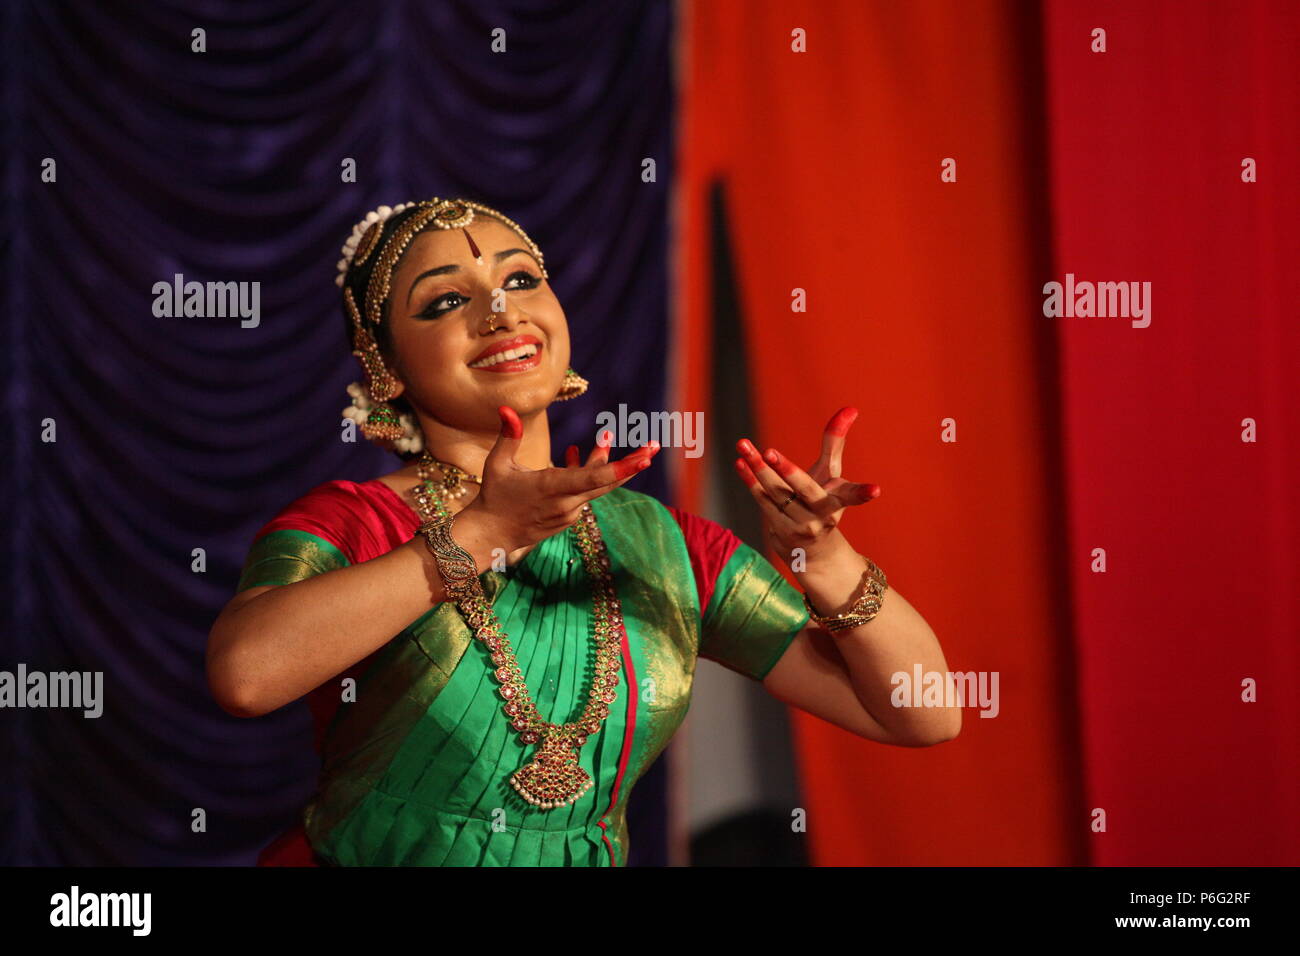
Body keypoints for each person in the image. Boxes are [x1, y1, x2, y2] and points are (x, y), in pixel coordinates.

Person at [205, 197, 960, 867]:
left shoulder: (664, 545)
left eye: (521, 279)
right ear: (385, 366)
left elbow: (924, 714)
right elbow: (246, 676)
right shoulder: (354, 522)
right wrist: (478, 537)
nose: (499, 312)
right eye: (443, 303)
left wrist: (825, 560)